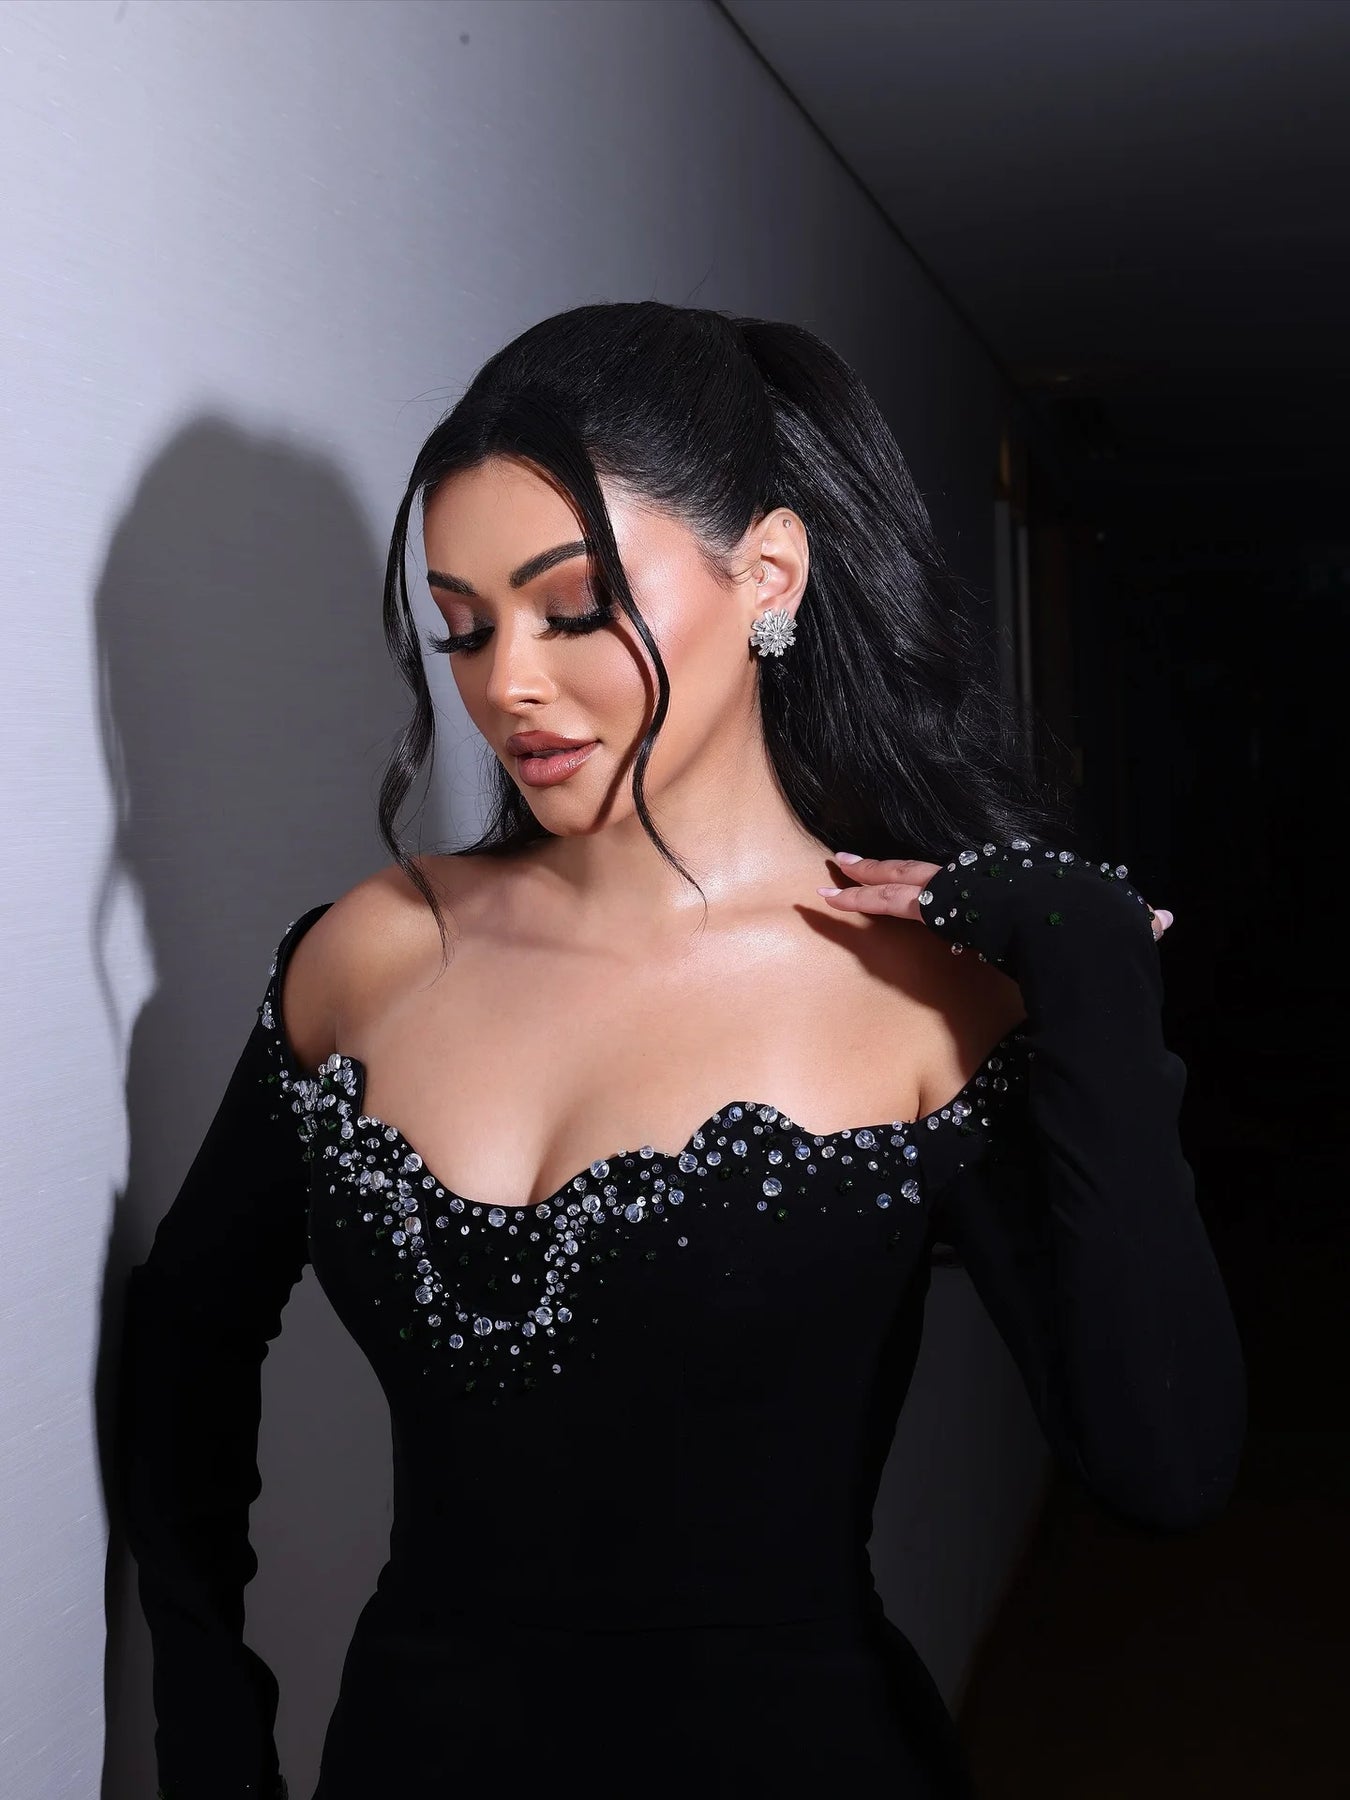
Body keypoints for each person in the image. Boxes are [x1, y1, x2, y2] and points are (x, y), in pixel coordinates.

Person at [117, 300, 1246, 1799]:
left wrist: (1090, 977)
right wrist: (210, 1739)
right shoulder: (368, 956)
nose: (506, 684)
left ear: (766, 573)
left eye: (573, 607)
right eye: (464, 625)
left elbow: (1163, 1466)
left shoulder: (932, 998)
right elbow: (185, 1344)